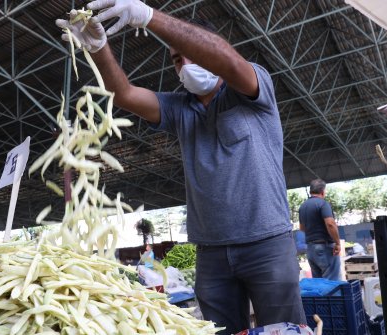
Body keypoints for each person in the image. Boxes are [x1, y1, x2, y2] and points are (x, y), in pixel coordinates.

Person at [56, 2, 305, 333]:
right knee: (219, 331)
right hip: (211, 252)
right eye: (177, 61)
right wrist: (100, 50)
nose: (185, 66)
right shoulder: (180, 109)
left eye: (192, 55)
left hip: (266, 243)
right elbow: (125, 94)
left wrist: (148, 17)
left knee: (284, 329)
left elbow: (229, 61)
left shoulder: (251, 89)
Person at [298, 179, 341, 281]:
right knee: (331, 284)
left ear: (310, 191)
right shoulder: (323, 204)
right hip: (324, 248)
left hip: (310, 250)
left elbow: (302, 229)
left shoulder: (303, 207)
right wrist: (337, 243)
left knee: (318, 284)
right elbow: (330, 224)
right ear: (323, 191)